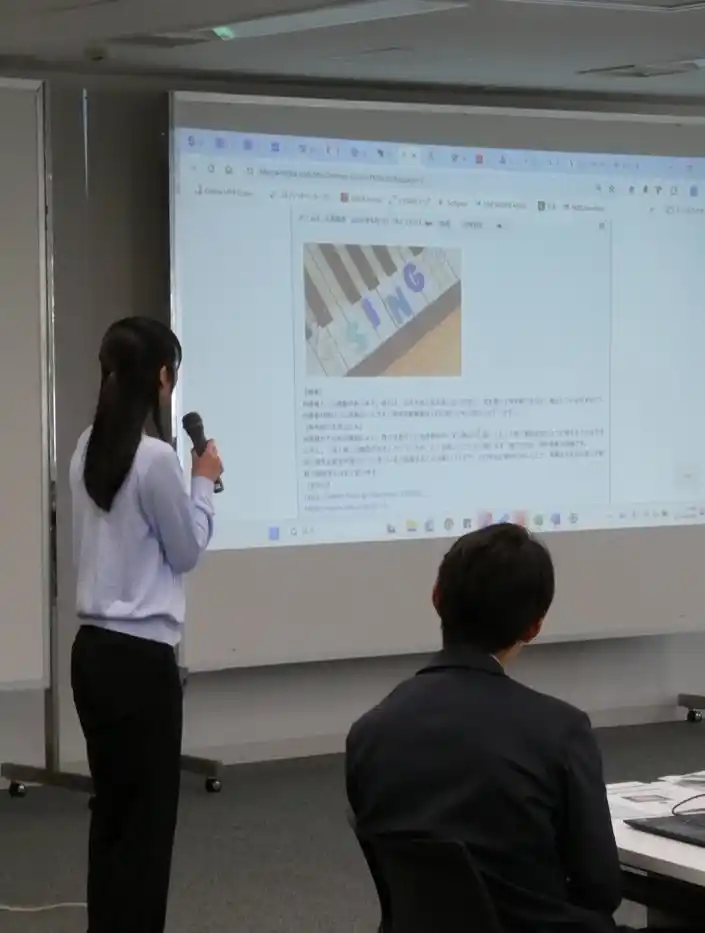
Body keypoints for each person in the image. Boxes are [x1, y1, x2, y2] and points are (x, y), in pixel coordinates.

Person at [346, 522, 623, 933]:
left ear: (437, 598)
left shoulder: (369, 732)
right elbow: (600, 888)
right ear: (534, 627)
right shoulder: (560, 731)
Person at [69, 316, 222, 933]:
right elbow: (185, 551)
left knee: (112, 816)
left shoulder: (87, 446)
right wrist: (203, 485)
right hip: (140, 663)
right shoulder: (155, 458)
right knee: (147, 827)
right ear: (162, 376)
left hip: (93, 656)